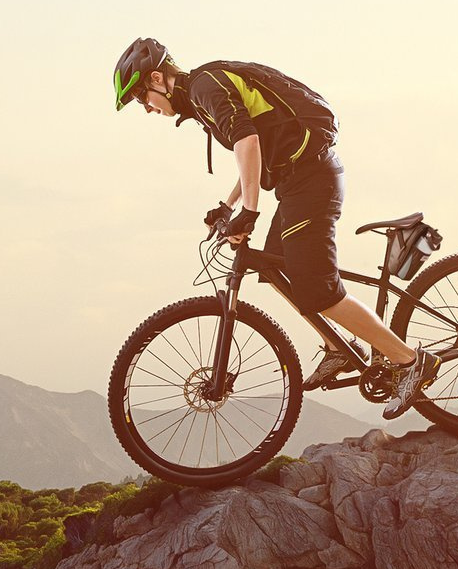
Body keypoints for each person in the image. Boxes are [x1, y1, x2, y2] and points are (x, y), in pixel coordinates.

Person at [113, 37, 440, 419]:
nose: (147, 109)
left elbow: (248, 140)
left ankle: (410, 361)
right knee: (278, 267)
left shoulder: (204, 86)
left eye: (141, 98)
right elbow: (251, 151)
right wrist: (230, 204)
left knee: (319, 288)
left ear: (156, 78)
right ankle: (339, 349)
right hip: (294, 182)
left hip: (312, 178)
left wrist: (249, 212)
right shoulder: (201, 97)